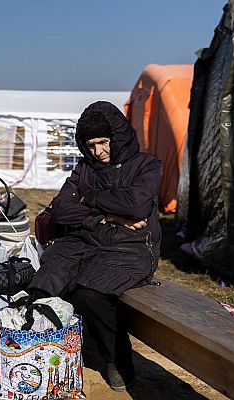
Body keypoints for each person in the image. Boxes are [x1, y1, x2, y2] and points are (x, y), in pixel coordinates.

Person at [27, 101, 162, 391]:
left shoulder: (147, 165)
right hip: (86, 239)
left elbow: (138, 205)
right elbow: (62, 208)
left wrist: (87, 199)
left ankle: (117, 360)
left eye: (103, 142)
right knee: (46, 283)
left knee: (90, 293)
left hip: (131, 247)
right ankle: (56, 352)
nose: (98, 151)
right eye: (90, 145)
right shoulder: (85, 169)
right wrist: (107, 216)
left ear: (118, 136)